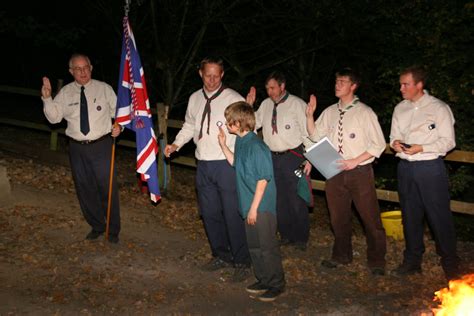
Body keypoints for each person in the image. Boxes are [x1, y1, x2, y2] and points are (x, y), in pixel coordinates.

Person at [164, 57, 251, 282]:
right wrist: (176, 144)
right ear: (200, 73)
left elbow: (250, 128)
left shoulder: (234, 98)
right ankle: (221, 255)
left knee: (232, 214)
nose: (211, 80)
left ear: (222, 75)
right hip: (203, 164)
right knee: (210, 213)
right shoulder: (194, 98)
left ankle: (242, 260)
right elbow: (190, 125)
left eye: (216, 75)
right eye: (207, 75)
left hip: (226, 164)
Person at [306, 68, 387, 275]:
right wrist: (309, 115)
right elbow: (315, 135)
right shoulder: (331, 111)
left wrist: (355, 161)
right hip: (333, 170)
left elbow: (378, 145)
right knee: (338, 217)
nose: (337, 85)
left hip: (359, 171)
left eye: (342, 81)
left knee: (370, 217)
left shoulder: (365, 112)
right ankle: (341, 255)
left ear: (353, 86)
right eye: (336, 81)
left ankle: (377, 261)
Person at [41, 53, 122, 243]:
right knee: (85, 189)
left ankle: (112, 230)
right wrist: (47, 99)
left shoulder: (104, 89)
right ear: (71, 72)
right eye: (77, 69)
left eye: (85, 67)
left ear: (91, 68)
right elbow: (54, 118)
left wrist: (119, 126)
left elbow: (119, 113)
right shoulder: (66, 93)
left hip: (102, 146)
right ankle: (97, 225)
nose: (82, 72)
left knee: (107, 188)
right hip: (77, 148)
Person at [389, 66, 460, 280]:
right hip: (405, 168)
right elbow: (393, 137)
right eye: (400, 84)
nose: (401, 88)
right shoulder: (400, 109)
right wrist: (396, 143)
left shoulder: (439, 108)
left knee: (439, 216)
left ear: (419, 85)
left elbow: (448, 141)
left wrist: (422, 147)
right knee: (410, 216)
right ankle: (412, 261)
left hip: (430, 168)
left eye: (405, 84)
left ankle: (451, 263)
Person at [218, 101, 285, 302]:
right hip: (248, 205)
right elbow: (235, 163)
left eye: (230, 121)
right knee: (254, 246)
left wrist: (254, 208)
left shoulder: (257, 146)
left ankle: (276, 284)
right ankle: (263, 279)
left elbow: (263, 179)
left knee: (267, 246)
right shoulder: (241, 141)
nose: (227, 124)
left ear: (240, 123)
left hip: (261, 207)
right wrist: (222, 145)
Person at [249, 71, 312, 250]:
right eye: (267, 88)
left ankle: (301, 238)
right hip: (272, 157)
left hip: (294, 156)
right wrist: (248, 106)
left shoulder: (297, 104)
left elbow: (308, 132)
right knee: (278, 198)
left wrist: (310, 159)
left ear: (282, 86)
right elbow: (253, 123)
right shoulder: (266, 104)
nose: (269, 92)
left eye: (273, 88)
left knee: (296, 197)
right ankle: (286, 234)